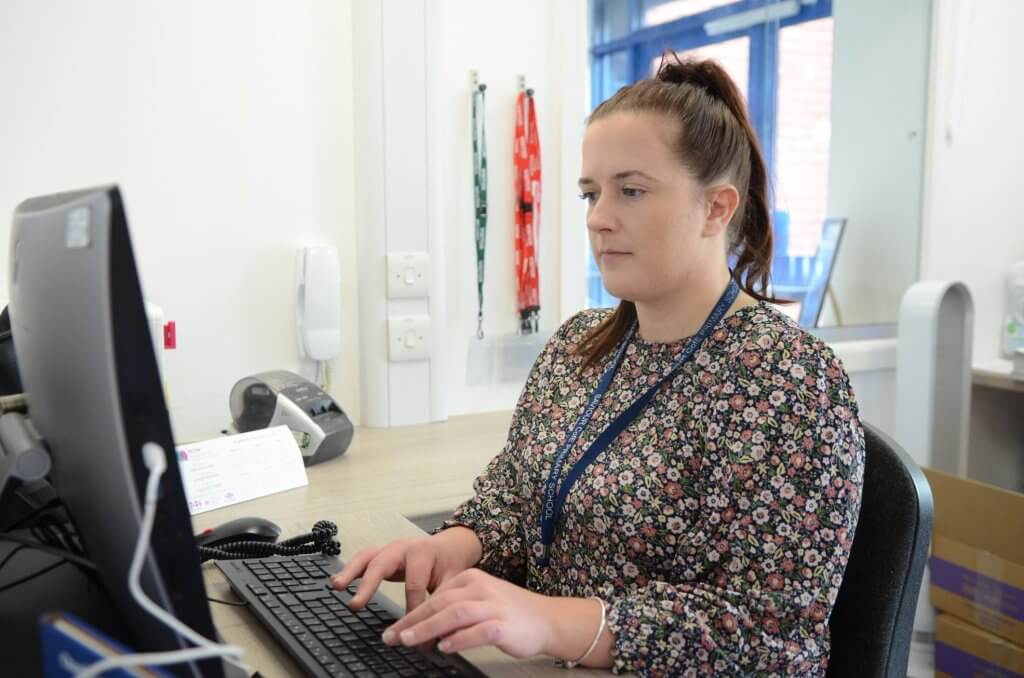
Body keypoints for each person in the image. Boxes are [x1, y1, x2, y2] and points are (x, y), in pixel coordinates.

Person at [332, 55, 865, 676]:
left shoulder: (790, 383)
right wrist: (455, 546)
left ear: (717, 209)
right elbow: (518, 498)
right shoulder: (579, 345)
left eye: (631, 191)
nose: (597, 218)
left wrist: (549, 622)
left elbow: (775, 638)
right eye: (591, 193)